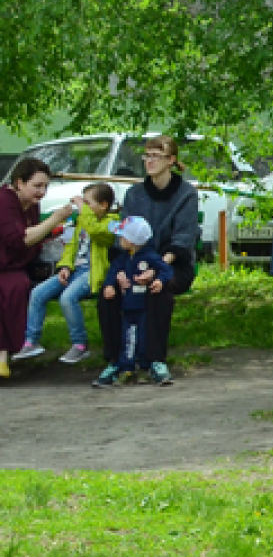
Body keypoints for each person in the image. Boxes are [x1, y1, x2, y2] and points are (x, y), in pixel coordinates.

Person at [102, 135, 201, 387]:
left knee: (159, 291)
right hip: (133, 260)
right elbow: (123, 233)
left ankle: (155, 360)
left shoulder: (186, 193)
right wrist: (122, 272)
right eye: (147, 156)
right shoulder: (135, 193)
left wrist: (158, 269)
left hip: (172, 262)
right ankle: (116, 359)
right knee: (110, 293)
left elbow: (183, 238)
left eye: (156, 156)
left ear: (171, 160)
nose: (149, 161)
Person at [17, 182, 116, 364]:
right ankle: (31, 341)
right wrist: (65, 267)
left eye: (88, 203)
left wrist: (80, 207)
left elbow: (96, 231)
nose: (83, 207)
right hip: (75, 270)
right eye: (83, 203)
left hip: (93, 273)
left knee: (67, 298)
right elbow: (71, 247)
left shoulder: (111, 223)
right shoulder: (82, 222)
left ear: (103, 205)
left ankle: (80, 345)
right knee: (37, 293)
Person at [0, 157, 73, 380]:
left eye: (45, 186)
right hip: (5, 265)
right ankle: (5, 354)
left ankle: (9, 353)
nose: (41, 192)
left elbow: (33, 235)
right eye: (37, 186)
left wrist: (54, 232)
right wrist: (54, 220)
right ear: (20, 182)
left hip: (17, 265)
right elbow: (17, 239)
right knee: (13, 286)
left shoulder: (31, 204)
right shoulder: (4, 201)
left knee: (19, 285)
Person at [97, 217, 167, 384]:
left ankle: (144, 366)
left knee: (143, 336)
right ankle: (126, 366)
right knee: (128, 336)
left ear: (131, 241)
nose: (119, 240)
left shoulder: (150, 257)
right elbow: (112, 272)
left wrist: (159, 280)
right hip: (127, 306)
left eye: (122, 237)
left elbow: (165, 269)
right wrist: (109, 286)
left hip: (143, 306)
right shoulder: (122, 258)